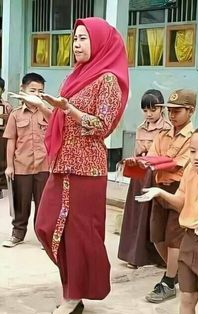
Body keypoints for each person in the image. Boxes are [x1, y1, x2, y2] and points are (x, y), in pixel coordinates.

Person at [13, 17, 129, 314]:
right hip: (64, 163)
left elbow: (101, 126)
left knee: (77, 235)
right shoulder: (76, 75)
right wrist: (41, 105)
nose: (77, 45)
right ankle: (73, 286)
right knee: (46, 225)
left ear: (100, 42)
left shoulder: (108, 80)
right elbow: (63, 118)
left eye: (83, 38)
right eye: (75, 39)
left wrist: (70, 109)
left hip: (87, 169)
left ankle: (74, 294)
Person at [136, 124, 198, 314]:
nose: (197, 157)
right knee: (187, 297)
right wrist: (160, 192)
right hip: (189, 238)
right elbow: (181, 201)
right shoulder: (190, 170)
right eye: (193, 151)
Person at [143, 89, 196, 303]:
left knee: (175, 237)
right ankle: (178, 272)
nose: (172, 115)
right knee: (157, 236)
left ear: (190, 111)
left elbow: (178, 163)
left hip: (179, 188)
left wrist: (157, 161)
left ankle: (168, 280)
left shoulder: (195, 137)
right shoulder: (162, 134)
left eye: (178, 111)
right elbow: (151, 157)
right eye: (170, 111)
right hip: (159, 187)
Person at [118, 89, 171, 268]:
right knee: (137, 215)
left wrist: (150, 156)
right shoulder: (141, 128)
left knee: (155, 216)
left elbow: (167, 156)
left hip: (156, 174)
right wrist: (138, 153)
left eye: (153, 110)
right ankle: (134, 257)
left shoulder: (167, 129)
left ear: (161, 109)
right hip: (140, 174)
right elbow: (136, 152)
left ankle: (159, 258)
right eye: (145, 110)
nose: (149, 114)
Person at [2, 73, 51, 248]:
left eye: (40, 91)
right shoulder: (15, 115)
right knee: (21, 203)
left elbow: (57, 126)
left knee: (44, 203)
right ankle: (17, 234)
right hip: (21, 165)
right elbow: (11, 140)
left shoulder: (47, 112)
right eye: (32, 90)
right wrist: (9, 166)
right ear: (23, 90)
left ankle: (44, 237)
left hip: (44, 166)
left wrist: (44, 106)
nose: (36, 94)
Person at [0, 77, 12, 199]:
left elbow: (13, 123)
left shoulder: (7, 106)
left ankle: (1, 185)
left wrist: (7, 118)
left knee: (2, 161)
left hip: (2, 136)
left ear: (2, 90)